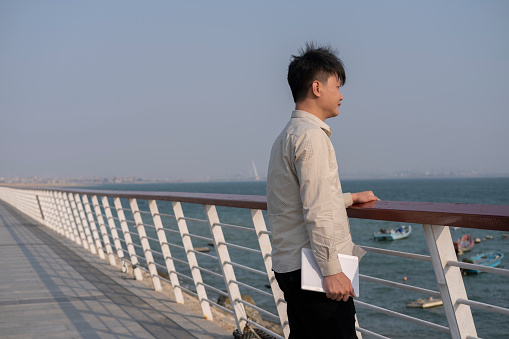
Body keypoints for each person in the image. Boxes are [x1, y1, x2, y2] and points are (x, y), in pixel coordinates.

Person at [266, 42, 379, 339]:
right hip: (313, 272)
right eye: (337, 86)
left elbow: (296, 199)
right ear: (317, 87)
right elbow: (316, 210)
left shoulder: (285, 136)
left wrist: (351, 198)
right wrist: (331, 270)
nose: (341, 95)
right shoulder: (312, 137)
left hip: (290, 266)